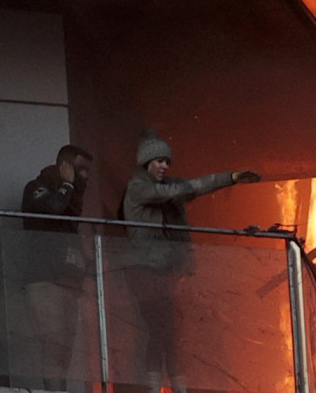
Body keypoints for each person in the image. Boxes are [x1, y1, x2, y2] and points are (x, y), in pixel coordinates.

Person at [119, 129, 260, 393]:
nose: (164, 166)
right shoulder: (138, 188)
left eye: (167, 162)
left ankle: (175, 388)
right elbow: (188, 187)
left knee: (170, 332)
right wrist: (229, 178)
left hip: (165, 270)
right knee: (161, 328)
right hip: (143, 269)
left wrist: (229, 179)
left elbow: (193, 186)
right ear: (146, 162)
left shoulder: (167, 189)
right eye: (159, 160)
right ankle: (156, 389)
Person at [19, 144, 94, 390]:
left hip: (69, 283)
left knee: (64, 352)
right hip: (44, 279)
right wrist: (67, 185)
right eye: (81, 170)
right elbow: (53, 209)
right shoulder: (37, 187)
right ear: (66, 167)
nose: (85, 176)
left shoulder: (74, 201)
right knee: (52, 346)